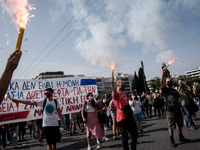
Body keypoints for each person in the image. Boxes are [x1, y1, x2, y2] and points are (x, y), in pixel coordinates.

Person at [161, 70, 190, 148]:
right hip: (170, 110)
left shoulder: (174, 90)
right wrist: (163, 73)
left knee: (179, 124)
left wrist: (182, 109)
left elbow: (178, 99)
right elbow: (161, 83)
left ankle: (181, 137)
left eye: (170, 81)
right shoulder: (165, 90)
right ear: (166, 83)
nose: (169, 82)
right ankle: (172, 140)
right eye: (168, 81)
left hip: (177, 109)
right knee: (171, 126)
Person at [111, 69, 138, 150]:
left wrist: (133, 117)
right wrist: (112, 82)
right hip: (122, 118)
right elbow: (113, 89)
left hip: (129, 116)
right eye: (122, 84)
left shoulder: (124, 93)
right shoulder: (115, 94)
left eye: (124, 84)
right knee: (125, 137)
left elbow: (128, 106)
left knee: (135, 134)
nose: (124, 85)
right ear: (118, 84)